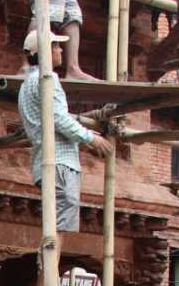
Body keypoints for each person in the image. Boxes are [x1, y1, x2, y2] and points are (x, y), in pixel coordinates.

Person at [18, 29, 111, 234]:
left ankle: (48, 264)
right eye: (56, 46)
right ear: (45, 52)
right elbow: (58, 118)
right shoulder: (47, 78)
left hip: (48, 160)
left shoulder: (27, 84)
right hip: (59, 162)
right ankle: (49, 265)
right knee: (60, 223)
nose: (60, 50)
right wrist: (89, 138)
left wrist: (85, 139)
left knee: (56, 221)